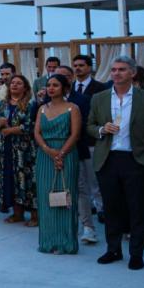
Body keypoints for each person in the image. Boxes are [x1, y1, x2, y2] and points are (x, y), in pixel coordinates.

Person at [87, 55, 144, 270]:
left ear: (132, 73)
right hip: (108, 159)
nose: (116, 73)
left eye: (121, 69)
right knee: (111, 208)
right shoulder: (99, 98)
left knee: (137, 209)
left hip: (136, 159)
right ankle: (113, 249)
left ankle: (136, 254)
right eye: (113, 70)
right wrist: (102, 129)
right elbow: (90, 125)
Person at [33, 74, 81, 254]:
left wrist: (60, 153)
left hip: (66, 154)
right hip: (45, 156)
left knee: (66, 198)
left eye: (55, 85)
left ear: (65, 88)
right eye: (49, 85)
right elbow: (36, 132)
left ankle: (65, 243)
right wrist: (48, 150)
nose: (51, 88)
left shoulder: (72, 108)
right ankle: (48, 241)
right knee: (47, 198)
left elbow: (75, 134)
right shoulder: (42, 109)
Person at [0, 75, 37, 225]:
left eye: (19, 83)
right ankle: (17, 214)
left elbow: (32, 125)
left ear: (25, 87)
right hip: (4, 150)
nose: (14, 85)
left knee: (27, 182)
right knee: (10, 180)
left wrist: (10, 129)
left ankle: (35, 216)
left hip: (24, 151)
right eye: (12, 83)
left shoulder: (31, 105)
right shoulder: (1, 104)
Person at [55, 64, 96, 243]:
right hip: (52, 153)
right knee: (58, 187)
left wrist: (65, 147)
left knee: (80, 188)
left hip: (75, 150)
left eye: (63, 77)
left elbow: (84, 127)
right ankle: (62, 225)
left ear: (70, 79)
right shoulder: (44, 103)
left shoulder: (82, 100)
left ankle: (88, 226)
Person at [72, 54, 106, 230]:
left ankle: (101, 208)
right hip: (75, 142)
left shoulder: (100, 88)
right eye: (75, 65)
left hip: (93, 140)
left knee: (95, 178)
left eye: (81, 65)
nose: (78, 68)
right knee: (81, 180)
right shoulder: (69, 89)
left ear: (89, 67)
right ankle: (89, 207)